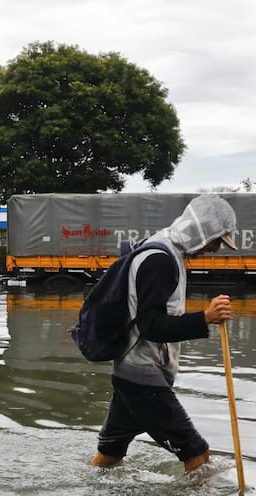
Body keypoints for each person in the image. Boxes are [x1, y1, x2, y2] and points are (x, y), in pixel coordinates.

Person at [88, 194, 236, 474]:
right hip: (142, 375)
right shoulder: (160, 260)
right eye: (217, 240)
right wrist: (205, 318)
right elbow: (150, 325)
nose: (215, 249)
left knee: (110, 454)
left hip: (131, 372)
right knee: (198, 454)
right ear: (203, 230)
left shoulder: (164, 249)